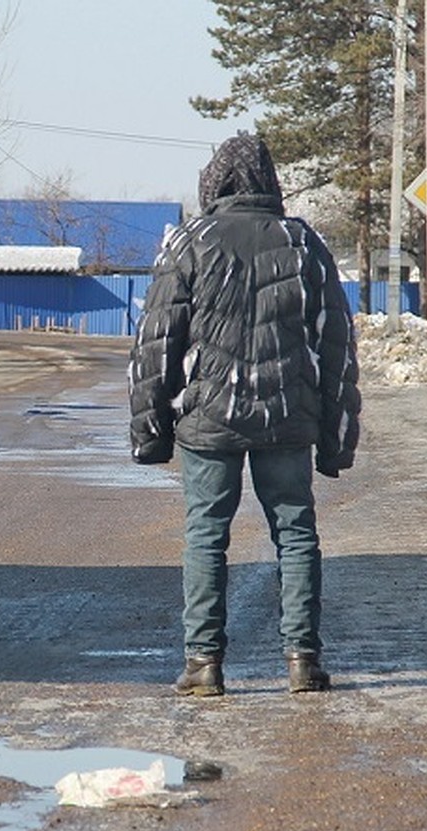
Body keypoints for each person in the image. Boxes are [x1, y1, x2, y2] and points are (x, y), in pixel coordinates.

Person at [127, 132, 361, 696]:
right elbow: (336, 346)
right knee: (297, 534)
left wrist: (151, 432)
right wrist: (337, 437)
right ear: (268, 181)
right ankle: (303, 661)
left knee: (206, 536)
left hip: (210, 418)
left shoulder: (189, 241)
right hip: (287, 414)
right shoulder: (302, 244)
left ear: (214, 183)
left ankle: (204, 665)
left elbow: (155, 343)